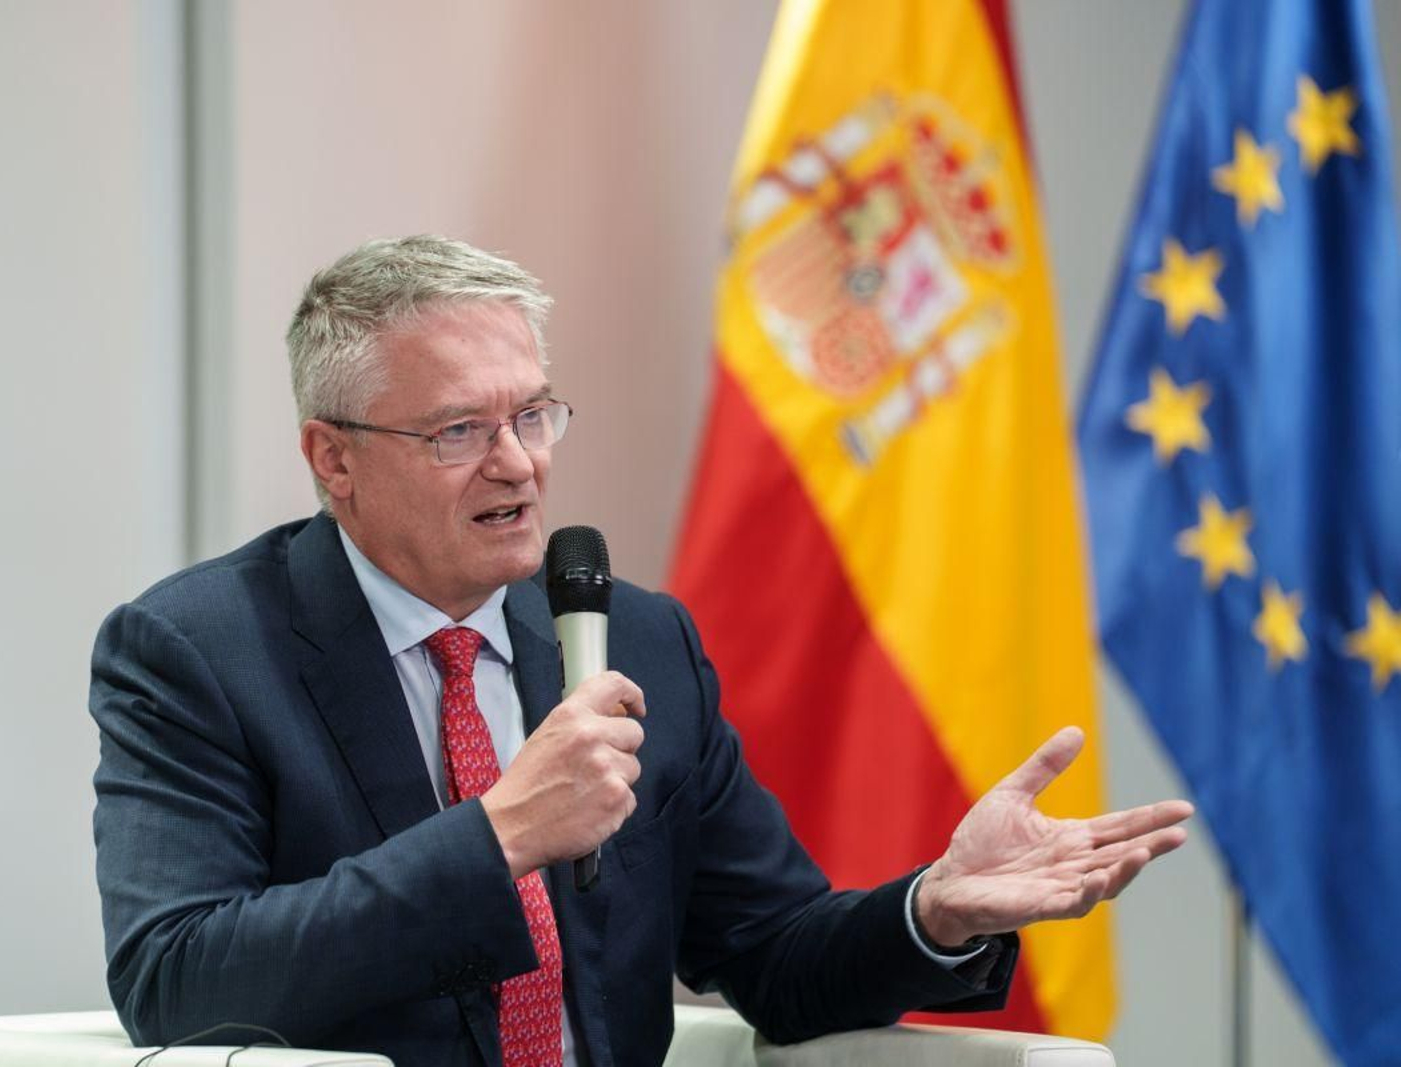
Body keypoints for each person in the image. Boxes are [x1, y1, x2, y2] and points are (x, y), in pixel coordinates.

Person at [90, 235, 1191, 1067]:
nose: (518, 463)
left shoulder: (639, 639)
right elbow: (175, 979)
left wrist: (934, 908)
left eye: (534, 415)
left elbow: (771, 954)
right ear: (332, 458)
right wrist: (500, 835)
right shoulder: (197, 652)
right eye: (459, 431)